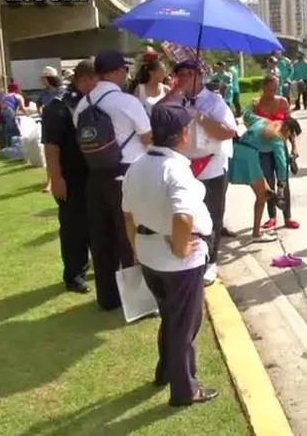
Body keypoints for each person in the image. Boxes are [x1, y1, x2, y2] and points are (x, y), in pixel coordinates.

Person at [121, 104, 219, 407]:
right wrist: (179, 249)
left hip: (150, 252)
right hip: (178, 260)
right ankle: (184, 389)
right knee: (184, 326)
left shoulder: (137, 164)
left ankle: (166, 371)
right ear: (183, 135)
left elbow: (128, 215)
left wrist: (137, 248)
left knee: (172, 318)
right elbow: (183, 217)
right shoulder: (175, 168)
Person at [73, 50, 152, 311]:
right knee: (129, 239)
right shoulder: (126, 101)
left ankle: (107, 299)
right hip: (126, 176)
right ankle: (137, 302)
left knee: (101, 238)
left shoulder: (83, 104)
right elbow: (147, 137)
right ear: (118, 71)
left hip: (95, 178)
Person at [164, 59, 237, 286]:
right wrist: (173, 96)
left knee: (212, 216)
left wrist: (200, 116)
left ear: (199, 76)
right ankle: (191, 255)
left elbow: (228, 132)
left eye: (189, 73)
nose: (185, 77)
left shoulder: (214, 101)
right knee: (186, 214)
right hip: (184, 165)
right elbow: (158, 116)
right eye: (181, 73)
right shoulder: (176, 100)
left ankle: (210, 262)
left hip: (211, 165)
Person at [43, 60, 97, 294]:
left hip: (94, 174)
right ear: (84, 78)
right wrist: (56, 179)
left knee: (95, 224)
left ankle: (98, 266)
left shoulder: (93, 100)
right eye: (97, 80)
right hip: (71, 176)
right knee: (74, 227)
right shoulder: (59, 105)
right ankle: (74, 274)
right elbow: (51, 147)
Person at [229, 111, 299, 242]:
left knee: (265, 193)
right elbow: (282, 163)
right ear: (286, 129)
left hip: (236, 150)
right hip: (248, 157)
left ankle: (221, 226)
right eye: (290, 133)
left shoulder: (262, 121)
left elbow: (247, 114)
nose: (289, 137)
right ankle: (256, 234)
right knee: (262, 196)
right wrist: (281, 185)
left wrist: (254, 106)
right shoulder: (276, 136)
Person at [252, 75, 299, 230]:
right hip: (263, 149)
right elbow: (252, 128)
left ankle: (288, 216)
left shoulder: (282, 102)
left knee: (283, 181)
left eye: (276, 88)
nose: (274, 91)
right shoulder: (256, 104)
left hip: (280, 147)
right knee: (268, 182)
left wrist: (294, 147)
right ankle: (272, 216)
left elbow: (290, 125)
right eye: (271, 88)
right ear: (264, 87)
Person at [0, 82, 26, 149]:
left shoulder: (5, 96)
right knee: (12, 129)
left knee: (2, 129)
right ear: (17, 89)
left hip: (2, 110)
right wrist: (28, 114)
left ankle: (2, 147)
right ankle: (12, 146)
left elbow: (0, 104)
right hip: (9, 110)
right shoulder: (18, 96)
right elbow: (23, 108)